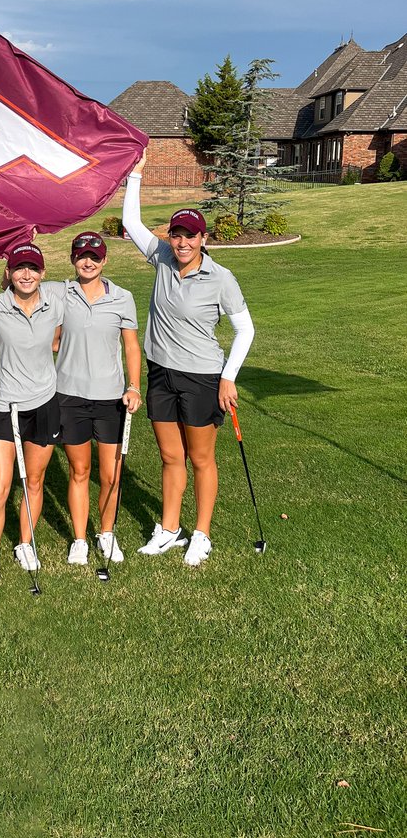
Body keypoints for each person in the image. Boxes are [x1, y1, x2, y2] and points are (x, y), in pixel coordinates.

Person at [122, 154, 255, 566]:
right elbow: (130, 223)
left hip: (201, 378)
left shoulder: (221, 278)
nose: (181, 242)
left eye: (190, 236)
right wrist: (136, 173)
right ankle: (169, 529)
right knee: (169, 456)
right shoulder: (161, 257)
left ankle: (201, 534)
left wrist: (228, 377)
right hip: (160, 372)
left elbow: (245, 329)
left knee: (200, 458)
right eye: (176, 234)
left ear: (203, 239)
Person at [0, 243, 64, 589]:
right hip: (5, 407)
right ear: (8, 273)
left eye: (33, 268)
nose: (26, 274)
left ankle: (24, 543)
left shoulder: (55, 302)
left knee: (34, 482)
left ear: (43, 273)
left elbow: (59, 339)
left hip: (44, 404)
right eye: (19, 268)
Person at [49, 231, 142, 567]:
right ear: (73, 258)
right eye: (81, 255)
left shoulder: (123, 297)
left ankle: (105, 532)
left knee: (111, 474)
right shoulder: (60, 292)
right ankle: (78, 539)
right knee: (78, 470)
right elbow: (19, 286)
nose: (87, 261)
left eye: (94, 256)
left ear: (105, 260)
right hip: (69, 395)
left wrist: (134, 386)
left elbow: (131, 345)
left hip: (110, 398)